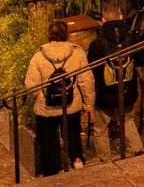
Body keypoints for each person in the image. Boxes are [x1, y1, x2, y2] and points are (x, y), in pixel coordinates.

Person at [25, 19, 95, 175]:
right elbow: (86, 80)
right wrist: (89, 103)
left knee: (48, 142)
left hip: (46, 108)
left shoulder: (39, 56)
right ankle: (77, 162)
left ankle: (52, 172)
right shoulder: (77, 53)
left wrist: (38, 96)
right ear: (66, 35)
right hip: (71, 105)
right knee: (73, 135)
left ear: (49, 35)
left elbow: (31, 86)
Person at [88, 5, 143, 159]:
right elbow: (140, 60)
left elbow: (92, 70)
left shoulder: (97, 45)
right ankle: (138, 151)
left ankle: (105, 159)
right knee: (127, 120)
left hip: (104, 95)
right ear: (121, 17)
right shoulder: (132, 39)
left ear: (103, 20)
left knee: (100, 129)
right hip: (127, 91)